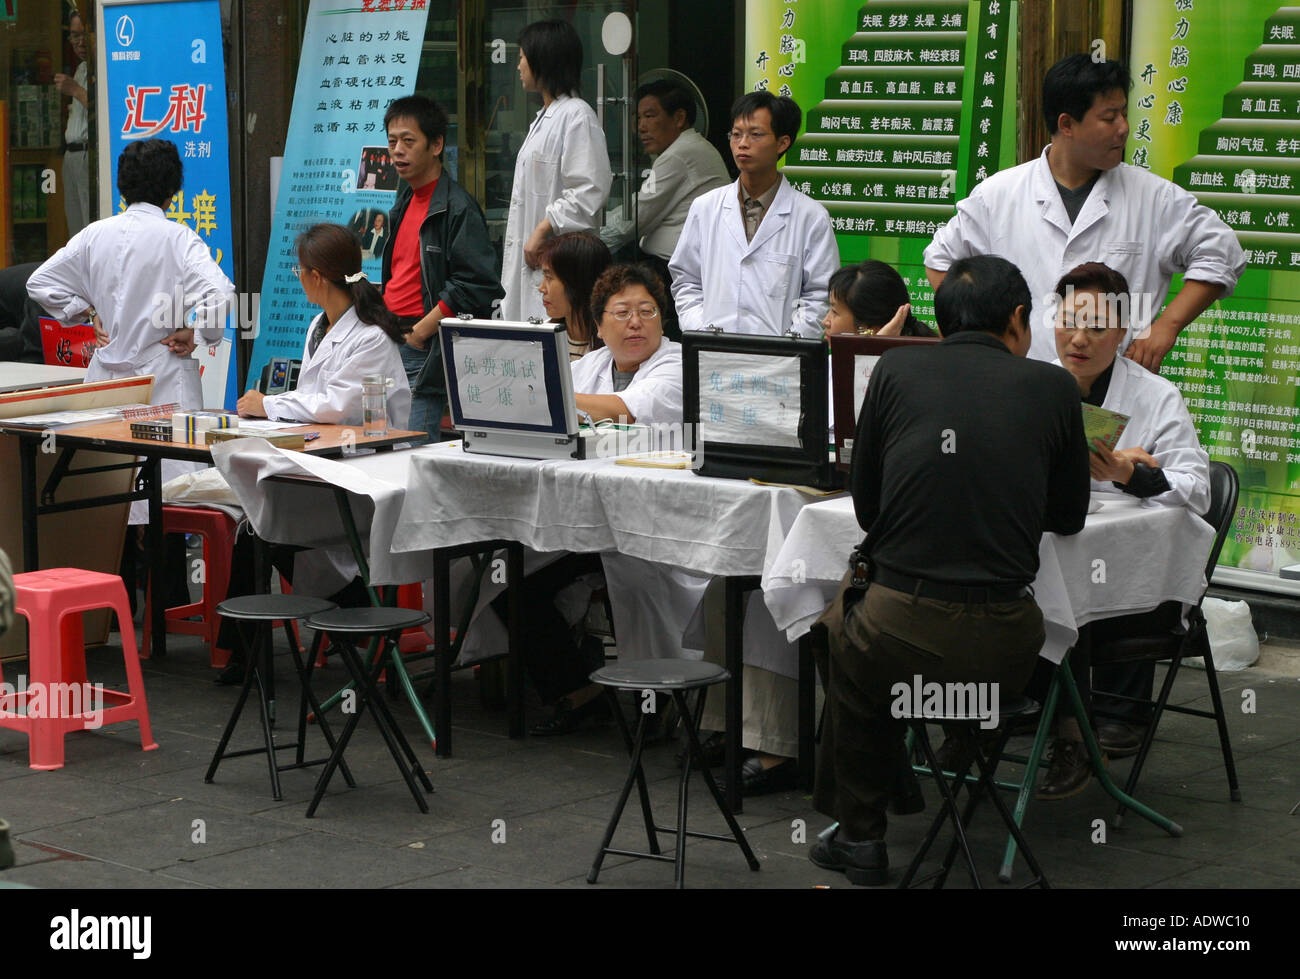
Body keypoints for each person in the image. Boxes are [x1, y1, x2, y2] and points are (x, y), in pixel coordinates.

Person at [811, 255, 1090, 886]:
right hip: (1009, 648)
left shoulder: (895, 368)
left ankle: (863, 830)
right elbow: (1069, 515)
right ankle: (897, 787)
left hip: (897, 630)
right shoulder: (1052, 388)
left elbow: (868, 504)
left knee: (838, 630)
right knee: (860, 641)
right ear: (1018, 319)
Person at [923, 54, 1245, 372]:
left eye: (1124, 113)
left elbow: (1221, 253)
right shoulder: (998, 195)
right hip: (1020, 383)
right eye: (1109, 117)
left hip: (1115, 390)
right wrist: (980, 340)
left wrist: (1166, 328)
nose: (1124, 128)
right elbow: (941, 261)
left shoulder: (1154, 197)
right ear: (1067, 124)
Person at [1031, 261, 1211, 798]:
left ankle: (1077, 732)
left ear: (1126, 331)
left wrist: (1130, 473)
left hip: (1125, 568)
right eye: (1068, 321)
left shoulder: (1155, 397)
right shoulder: (1037, 384)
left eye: (1097, 327)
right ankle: (995, 719)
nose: (1078, 339)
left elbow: (1196, 486)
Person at [502, 264, 684, 734]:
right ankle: (578, 692)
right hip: (588, 525)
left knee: (640, 585)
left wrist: (554, 393)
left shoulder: (677, 365)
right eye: (621, 313)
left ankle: (660, 699)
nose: (636, 323)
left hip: (654, 529)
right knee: (510, 582)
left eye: (647, 311)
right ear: (598, 324)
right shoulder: (590, 366)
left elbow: (624, 411)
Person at [28, 138, 234, 413]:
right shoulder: (179, 239)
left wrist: (88, 311)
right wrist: (198, 334)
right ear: (172, 190)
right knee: (168, 453)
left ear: (122, 186)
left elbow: (40, 282)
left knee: (110, 454)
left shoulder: (94, 235)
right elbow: (220, 293)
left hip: (105, 383)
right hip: (163, 379)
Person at [669, 91, 839, 338]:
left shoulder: (811, 217)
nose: (743, 143)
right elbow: (686, 280)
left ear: (782, 143)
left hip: (780, 362)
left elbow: (819, 293)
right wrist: (701, 328)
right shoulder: (705, 207)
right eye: (736, 134)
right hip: (713, 353)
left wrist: (792, 341)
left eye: (755, 134)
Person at [380, 95, 501, 439]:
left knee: (413, 450)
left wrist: (422, 332)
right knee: (384, 447)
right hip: (391, 339)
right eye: (392, 142)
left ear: (436, 145)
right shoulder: (404, 199)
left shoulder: (457, 206)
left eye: (408, 140)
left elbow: (477, 283)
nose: (397, 151)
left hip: (423, 345)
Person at [236, 223, 411, 428]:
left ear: (317, 277)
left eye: (299, 270)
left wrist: (267, 404)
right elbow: (309, 397)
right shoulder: (318, 325)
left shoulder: (372, 338)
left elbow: (338, 407)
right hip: (323, 442)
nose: (299, 276)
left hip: (366, 452)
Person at [500, 19, 612, 321]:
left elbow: (590, 189)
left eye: (522, 57)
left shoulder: (577, 115)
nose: (518, 67)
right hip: (538, 267)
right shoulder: (546, 117)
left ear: (542, 59)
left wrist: (543, 227)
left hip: (559, 265)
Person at [601, 79, 731, 337]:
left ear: (679, 118)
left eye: (650, 115)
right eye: (638, 117)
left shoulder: (681, 154)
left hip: (676, 274)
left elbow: (634, 218)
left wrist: (592, 238)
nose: (641, 126)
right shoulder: (684, 150)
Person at [537, 231, 610, 360]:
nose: (541, 288)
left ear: (577, 282)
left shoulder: (615, 347)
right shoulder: (540, 340)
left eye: (549, 277)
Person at [822, 261, 936, 338]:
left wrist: (875, 347)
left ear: (871, 329)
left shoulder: (904, 369)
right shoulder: (831, 363)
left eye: (835, 312)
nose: (825, 321)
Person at [56, 11, 90, 237]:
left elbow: (111, 109)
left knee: (89, 225)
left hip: (88, 154)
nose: (79, 42)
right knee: (76, 231)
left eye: (83, 35)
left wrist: (76, 91)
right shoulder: (82, 68)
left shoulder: (103, 67)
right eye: (74, 37)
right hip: (72, 155)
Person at [0, 263, 46, 364]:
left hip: (15, 307)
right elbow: (32, 355)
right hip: (17, 308)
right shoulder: (46, 292)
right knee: (14, 339)